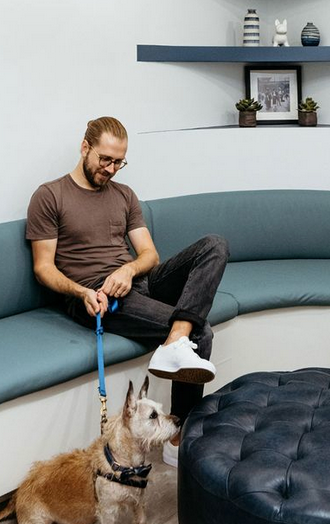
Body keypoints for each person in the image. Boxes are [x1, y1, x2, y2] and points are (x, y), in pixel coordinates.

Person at [25, 116, 229, 466]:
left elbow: (149, 255)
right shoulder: (50, 195)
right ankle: (179, 439)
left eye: (119, 161)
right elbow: (43, 268)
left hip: (136, 282)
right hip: (97, 298)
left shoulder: (124, 194)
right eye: (105, 159)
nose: (111, 168)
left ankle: (174, 341)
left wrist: (128, 268)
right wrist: (82, 292)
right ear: (85, 147)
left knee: (214, 245)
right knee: (201, 330)